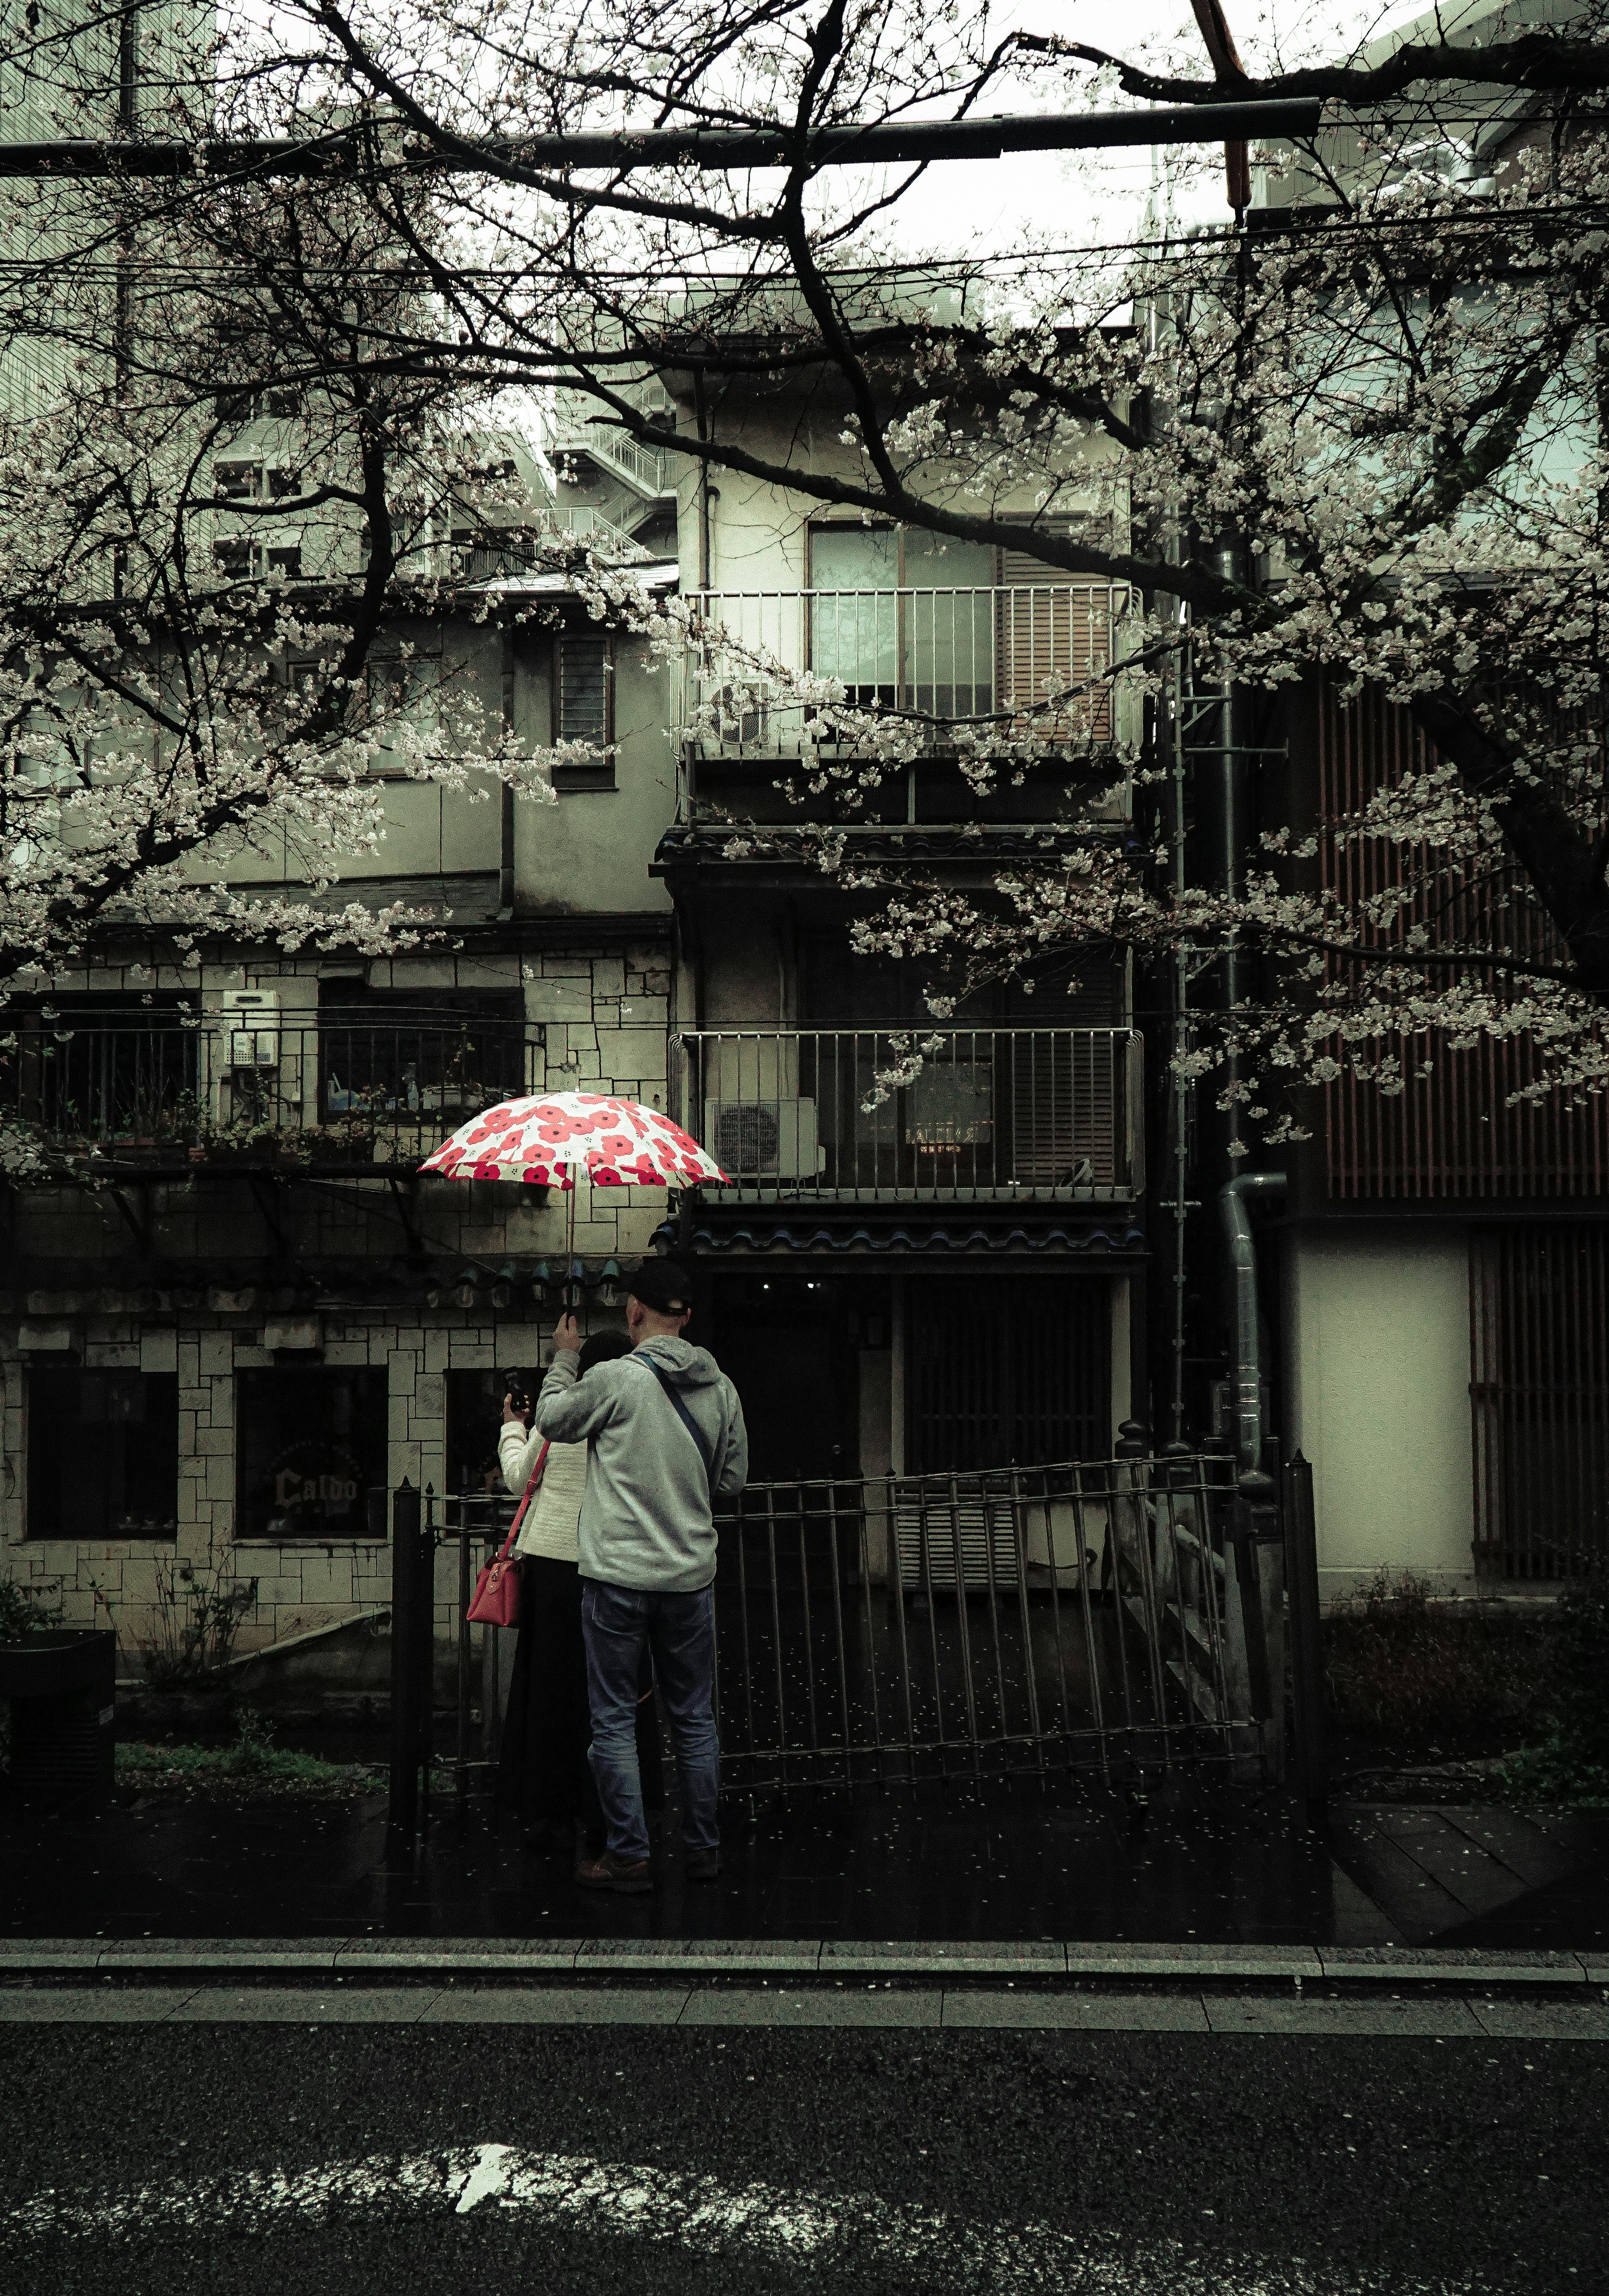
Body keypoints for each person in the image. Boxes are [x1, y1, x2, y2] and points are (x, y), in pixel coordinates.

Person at [534, 1257, 748, 1894]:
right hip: (689, 1581)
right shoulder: (722, 1389)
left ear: (633, 1313)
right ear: (685, 1318)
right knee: (694, 1718)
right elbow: (732, 1482)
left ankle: (628, 1855)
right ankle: (704, 1849)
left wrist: (565, 1358)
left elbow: (551, 1422)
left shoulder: (616, 1381)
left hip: (617, 1581)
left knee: (614, 1720)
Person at [495, 1328, 662, 1855]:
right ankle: (613, 1810)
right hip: (609, 1565)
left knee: (547, 1695)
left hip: (549, 1571)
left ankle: (547, 1810)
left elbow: (519, 1478)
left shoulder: (562, 1415)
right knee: (611, 1699)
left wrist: (511, 1428)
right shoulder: (630, 1418)